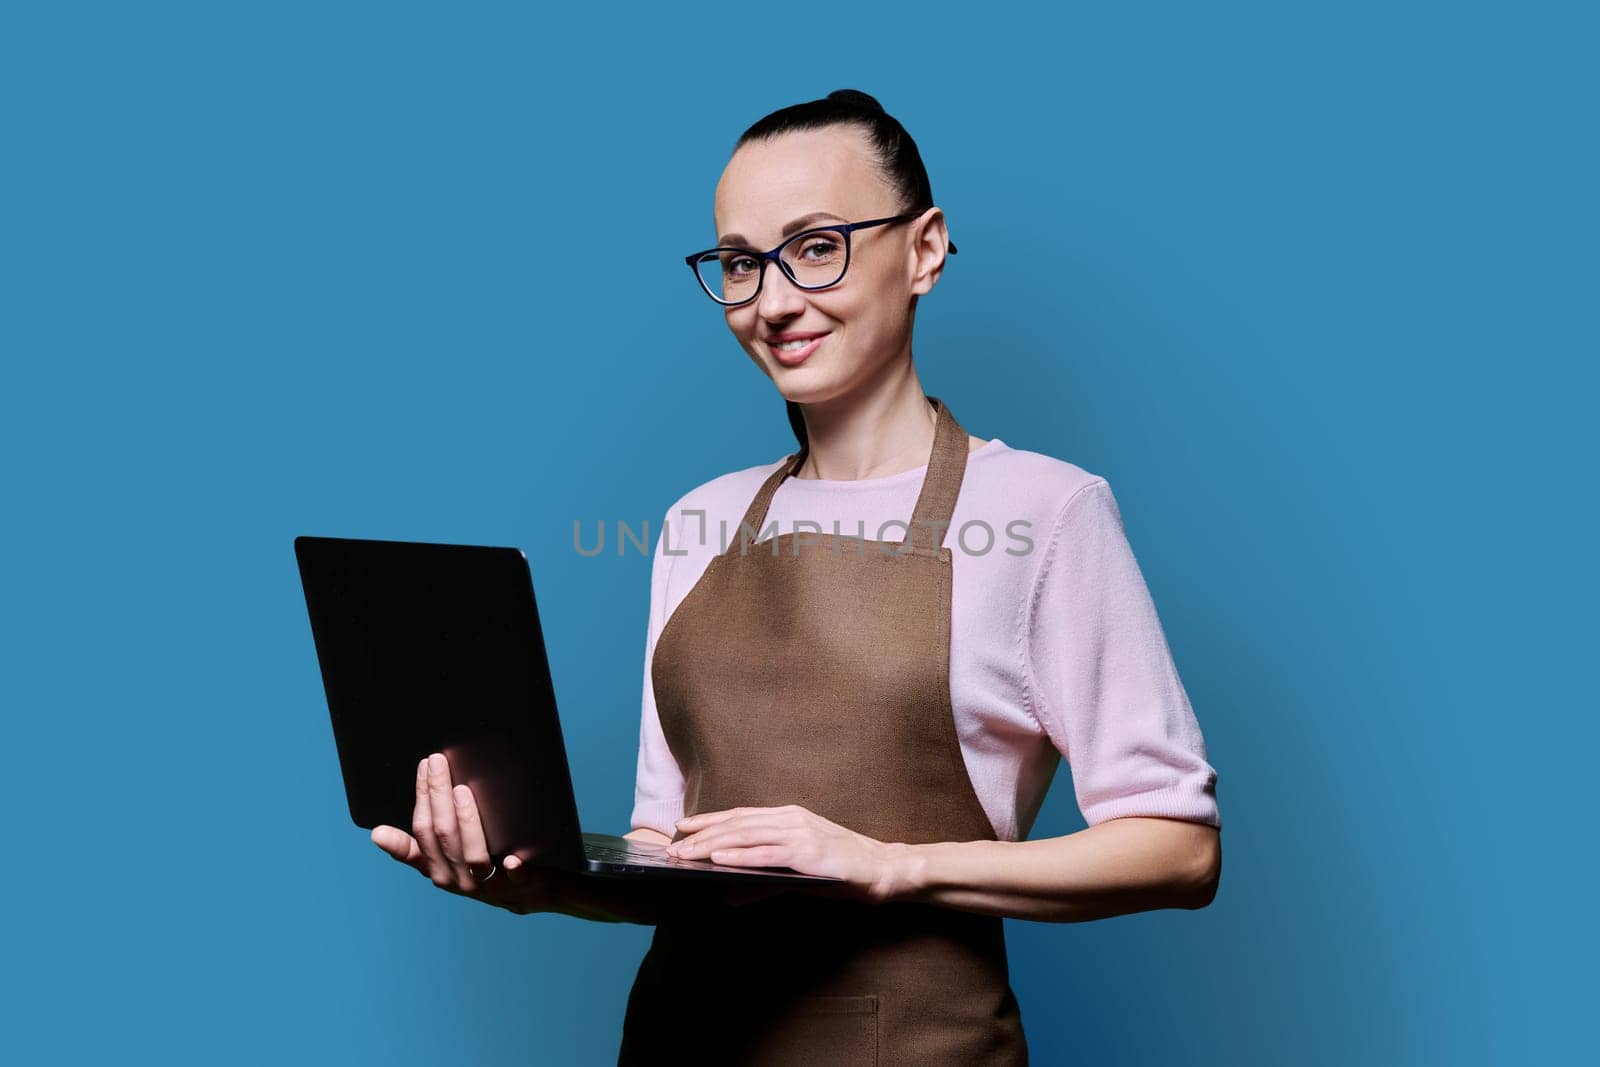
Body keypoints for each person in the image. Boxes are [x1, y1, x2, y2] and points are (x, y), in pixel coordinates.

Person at [372, 89, 1222, 1064]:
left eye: (816, 246)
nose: (772, 300)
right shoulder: (701, 521)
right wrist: (536, 880)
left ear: (925, 249)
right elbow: (669, 851)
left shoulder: (1045, 511)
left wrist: (885, 865)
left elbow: (1179, 846)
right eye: (740, 263)